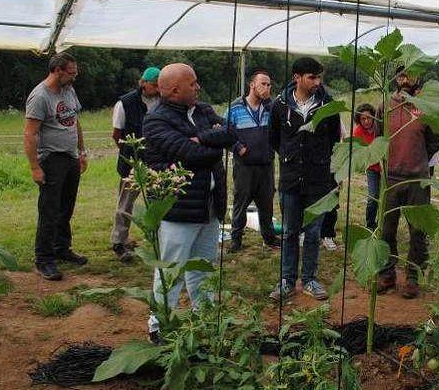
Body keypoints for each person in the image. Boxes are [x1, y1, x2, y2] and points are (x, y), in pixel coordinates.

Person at [142, 63, 235, 341]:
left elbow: (231, 133)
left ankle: (204, 317)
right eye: (192, 83)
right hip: (178, 208)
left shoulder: (203, 110)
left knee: (202, 266)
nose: (198, 87)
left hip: (208, 205)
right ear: (174, 90)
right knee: (170, 270)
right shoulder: (155, 120)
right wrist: (211, 146)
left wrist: (203, 138)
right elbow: (189, 153)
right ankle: (159, 326)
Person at [267, 57, 341, 301]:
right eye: (312, 77)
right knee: (289, 232)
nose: (317, 82)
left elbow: (333, 139)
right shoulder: (279, 105)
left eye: (319, 77)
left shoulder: (327, 105)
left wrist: (316, 160)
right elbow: (274, 139)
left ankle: (309, 279)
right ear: (296, 77)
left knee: (313, 232)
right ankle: (287, 279)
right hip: (290, 179)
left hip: (318, 179)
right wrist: (292, 158)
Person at [24, 52, 89, 281]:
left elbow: (75, 122)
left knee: (66, 208)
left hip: (70, 157)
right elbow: (30, 134)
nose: (74, 77)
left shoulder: (68, 90)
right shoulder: (40, 96)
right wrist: (35, 167)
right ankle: (44, 260)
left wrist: (81, 152)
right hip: (51, 160)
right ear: (58, 70)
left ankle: (62, 249)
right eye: (71, 73)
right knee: (49, 210)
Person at [378, 68, 439, 299]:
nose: (405, 79)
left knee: (418, 231)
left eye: (410, 75)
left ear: (418, 78)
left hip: (417, 178)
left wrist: (418, 158)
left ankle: (413, 277)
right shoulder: (386, 104)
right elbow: (378, 135)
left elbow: (435, 139)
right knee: (386, 230)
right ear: (397, 79)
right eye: (401, 75)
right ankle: (387, 274)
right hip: (391, 178)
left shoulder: (426, 105)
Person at [223, 69, 281, 253]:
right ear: (252, 85)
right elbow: (224, 134)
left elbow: (280, 125)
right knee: (241, 202)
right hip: (244, 166)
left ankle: (269, 237)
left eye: (269, 84)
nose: (267, 87)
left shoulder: (270, 107)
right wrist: (238, 147)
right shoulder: (235, 107)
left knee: (266, 203)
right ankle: (236, 239)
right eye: (263, 83)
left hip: (266, 164)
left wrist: (269, 102)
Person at [110, 66, 161, 262]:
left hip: (156, 162)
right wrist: (129, 155)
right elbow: (117, 135)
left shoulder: (163, 101)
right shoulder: (125, 103)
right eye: (154, 85)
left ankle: (157, 239)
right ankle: (119, 242)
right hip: (132, 161)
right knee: (126, 203)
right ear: (143, 83)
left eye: (159, 85)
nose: (157, 89)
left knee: (157, 201)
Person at [352, 103, 380, 229]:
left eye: (369, 118)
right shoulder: (357, 131)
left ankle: (383, 225)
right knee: (373, 197)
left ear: (374, 116)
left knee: (389, 199)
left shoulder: (380, 127)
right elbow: (356, 151)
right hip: (372, 168)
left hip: (387, 168)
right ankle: (370, 225)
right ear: (359, 120)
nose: (367, 121)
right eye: (363, 119)